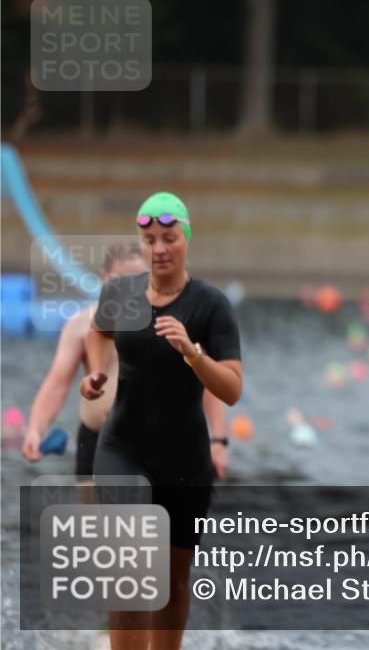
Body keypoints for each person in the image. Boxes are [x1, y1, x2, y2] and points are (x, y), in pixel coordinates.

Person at [80, 192, 243, 650]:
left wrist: (193, 353)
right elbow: (98, 329)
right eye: (149, 239)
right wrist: (96, 370)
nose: (159, 249)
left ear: (186, 239)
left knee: (172, 582)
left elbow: (231, 389)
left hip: (185, 459)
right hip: (123, 447)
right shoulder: (121, 293)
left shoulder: (210, 305)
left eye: (169, 238)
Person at [21, 243, 230, 480]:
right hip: (96, 441)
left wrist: (218, 441)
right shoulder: (80, 325)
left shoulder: (174, 325)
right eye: (123, 279)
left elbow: (207, 381)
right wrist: (35, 430)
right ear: (105, 279)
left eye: (140, 279)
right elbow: (57, 383)